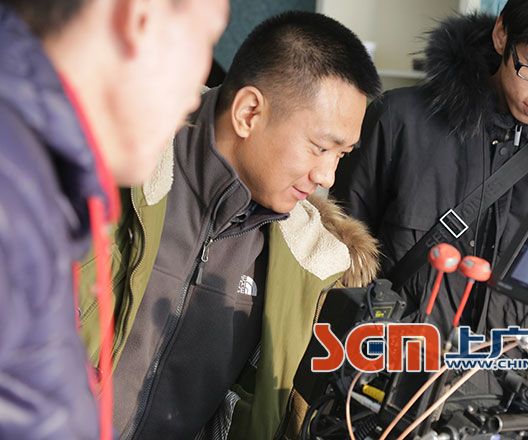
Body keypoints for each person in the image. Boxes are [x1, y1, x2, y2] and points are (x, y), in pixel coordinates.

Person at [77, 11, 382, 440]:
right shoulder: (102, 164)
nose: (327, 176)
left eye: (341, 155)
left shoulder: (310, 264)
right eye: (319, 147)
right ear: (249, 112)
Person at [333, 0, 528, 406]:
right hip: (386, 392)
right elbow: (336, 263)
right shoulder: (400, 122)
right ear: (502, 34)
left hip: (514, 409)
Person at [0, 0, 229, 438]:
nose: (195, 97)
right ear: (139, 17)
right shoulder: (12, 196)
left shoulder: (34, 184)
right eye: (207, 39)